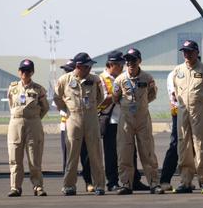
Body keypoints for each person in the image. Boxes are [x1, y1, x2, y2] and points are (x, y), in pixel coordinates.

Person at [54, 52, 106, 196]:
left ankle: (99, 185)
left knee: (95, 153)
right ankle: (69, 185)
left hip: (91, 119)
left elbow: (100, 97)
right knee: (72, 153)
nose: (89, 69)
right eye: (86, 66)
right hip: (73, 118)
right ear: (78, 66)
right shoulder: (64, 80)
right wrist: (67, 110)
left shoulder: (95, 80)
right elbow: (57, 98)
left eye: (90, 66)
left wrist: (91, 109)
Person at [112, 48, 162, 195]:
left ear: (139, 61)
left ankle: (154, 183)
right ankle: (126, 184)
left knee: (147, 152)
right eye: (127, 61)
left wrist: (142, 103)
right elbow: (116, 98)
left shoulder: (147, 78)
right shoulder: (120, 79)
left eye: (133, 60)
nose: (130, 63)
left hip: (142, 119)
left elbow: (152, 94)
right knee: (124, 152)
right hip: (126, 119)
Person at [98, 51, 150, 192]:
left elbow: (149, 95)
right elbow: (102, 99)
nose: (123, 66)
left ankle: (133, 180)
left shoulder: (126, 77)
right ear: (110, 64)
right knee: (112, 154)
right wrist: (118, 94)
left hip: (128, 119)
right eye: (119, 64)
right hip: (111, 120)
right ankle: (113, 181)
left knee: (130, 152)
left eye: (123, 64)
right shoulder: (102, 79)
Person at [172, 40, 203, 194]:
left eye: (190, 51)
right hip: (183, 112)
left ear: (197, 52)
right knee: (183, 146)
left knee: (202, 146)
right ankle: (185, 182)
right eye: (184, 51)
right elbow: (177, 92)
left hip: (200, 112)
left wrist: (199, 102)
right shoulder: (178, 71)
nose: (187, 54)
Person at [6, 59, 49, 197]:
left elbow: (45, 107)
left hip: (33, 123)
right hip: (16, 123)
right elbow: (11, 105)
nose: (25, 73)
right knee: (15, 156)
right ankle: (15, 187)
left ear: (32, 72)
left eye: (28, 71)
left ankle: (38, 186)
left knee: (34, 157)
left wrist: (34, 118)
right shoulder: (12, 88)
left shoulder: (38, 89)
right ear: (19, 72)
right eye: (23, 71)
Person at [58, 59, 96, 193]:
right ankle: (68, 183)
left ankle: (89, 182)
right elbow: (58, 103)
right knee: (69, 157)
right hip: (67, 126)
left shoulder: (87, 81)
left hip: (83, 123)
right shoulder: (64, 83)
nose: (67, 71)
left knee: (86, 156)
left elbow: (98, 99)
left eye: (69, 69)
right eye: (66, 69)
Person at [159, 68, 179, 191]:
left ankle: (187, 179)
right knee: (175, 145)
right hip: (179, 112)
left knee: (193, 147)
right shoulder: (176, 74)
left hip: (196, 113)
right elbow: (174, 95)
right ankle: (165, 179)